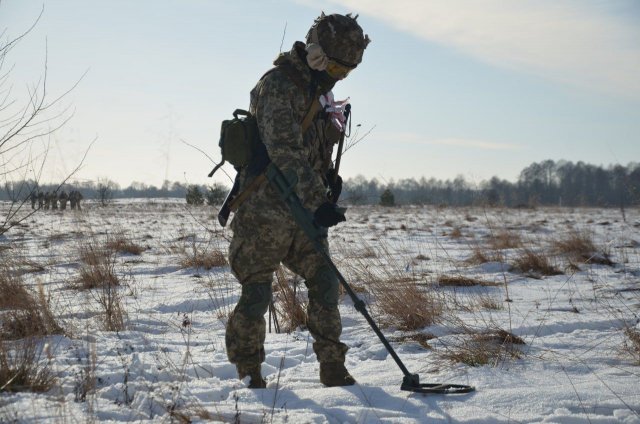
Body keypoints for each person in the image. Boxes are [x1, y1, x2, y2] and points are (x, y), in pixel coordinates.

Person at [224, 12, 369, 388]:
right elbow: (285, 150)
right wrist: (317, 199)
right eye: (335, 64)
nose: (339, 74)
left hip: (303, 210)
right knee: (257, 293)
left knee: (324, 282)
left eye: (347, 70)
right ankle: (249, 373)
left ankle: (333, 367)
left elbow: (312, 149)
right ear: (316, 54)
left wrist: (329, 182)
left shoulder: (318, 93)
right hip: (265, 212)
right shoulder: (278, 85)